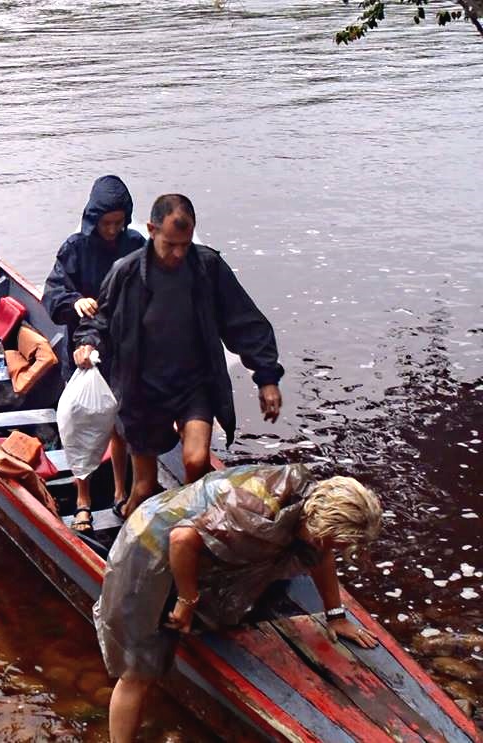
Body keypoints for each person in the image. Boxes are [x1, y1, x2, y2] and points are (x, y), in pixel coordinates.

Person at [95, 463, 382, 742]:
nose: (328, 548)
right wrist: (187, 599)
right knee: (138, 669)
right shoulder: (255, 511)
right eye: (328, 541)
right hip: (151, 546)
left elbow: (321, 555)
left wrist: (336, 615)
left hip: (198, 546)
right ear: (319, 521)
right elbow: (181, 539)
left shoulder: (310, 508)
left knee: (220, 611)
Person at [74, 193, 284, 517]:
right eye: (170, 244)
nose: (178, 253)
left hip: (194, 384)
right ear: (151, 229)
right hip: (142, 388)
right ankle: (129, 525)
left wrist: (267, 378)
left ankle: (189, 530)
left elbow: (244, 322)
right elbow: (99, 321)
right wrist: (86, 344)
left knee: (196, 461)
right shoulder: (126, 272)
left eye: (185, 245)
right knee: (144, 488)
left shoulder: (208, 267)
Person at [43, 175, 145, 534]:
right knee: (85, 421)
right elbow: (53, 295)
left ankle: (121, 491)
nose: (113, 230)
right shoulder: (75, 248)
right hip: (84, 348)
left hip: (124, 347)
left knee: (119, 423)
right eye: (107, 223)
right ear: (93, 219)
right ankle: (83, 498)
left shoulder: (135, 244)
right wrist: (76, 301)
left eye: (119, 223)